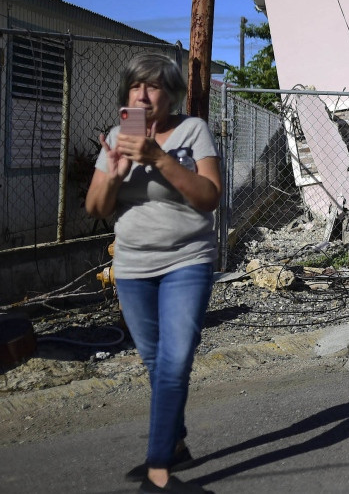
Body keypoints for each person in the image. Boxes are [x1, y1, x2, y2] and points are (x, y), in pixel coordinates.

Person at [86, 54, 221, 494]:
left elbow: (208, 197)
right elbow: (95, 209)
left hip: (187, 260)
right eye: (135, 88)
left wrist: (159, 158)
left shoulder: (191, 131)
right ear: (126, 95)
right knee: (155, 361)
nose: (144, 95)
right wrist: (115, 174)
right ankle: (176, 442)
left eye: (155, 87)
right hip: (132, 267)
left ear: (172, 94)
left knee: (175, 359)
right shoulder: (116, 139)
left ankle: (159, 470)